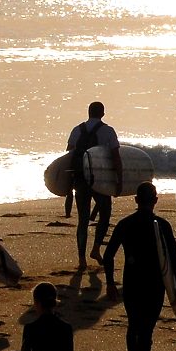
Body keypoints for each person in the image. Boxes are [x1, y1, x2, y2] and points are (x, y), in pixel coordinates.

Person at [102, 182, 176, 351]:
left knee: (133, 325)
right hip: (155, 284)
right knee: (146, 330)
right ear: (155, 200)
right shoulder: (162, 225)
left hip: (132, 283)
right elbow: (174, 259)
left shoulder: (125, 224)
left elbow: (108, 256)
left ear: (136, 200)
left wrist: (110, 283)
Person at [67, 100, 120, 266]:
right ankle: (96, 248)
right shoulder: (108, 131)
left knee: (83, 219)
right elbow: (116, 157)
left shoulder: (77, 130)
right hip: (100, 182)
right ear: (103, 113)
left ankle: (82, 259)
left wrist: (68, 182)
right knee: (105, 213)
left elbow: (69, 155)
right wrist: (119, 179)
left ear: (88, 112)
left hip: (81, 179)